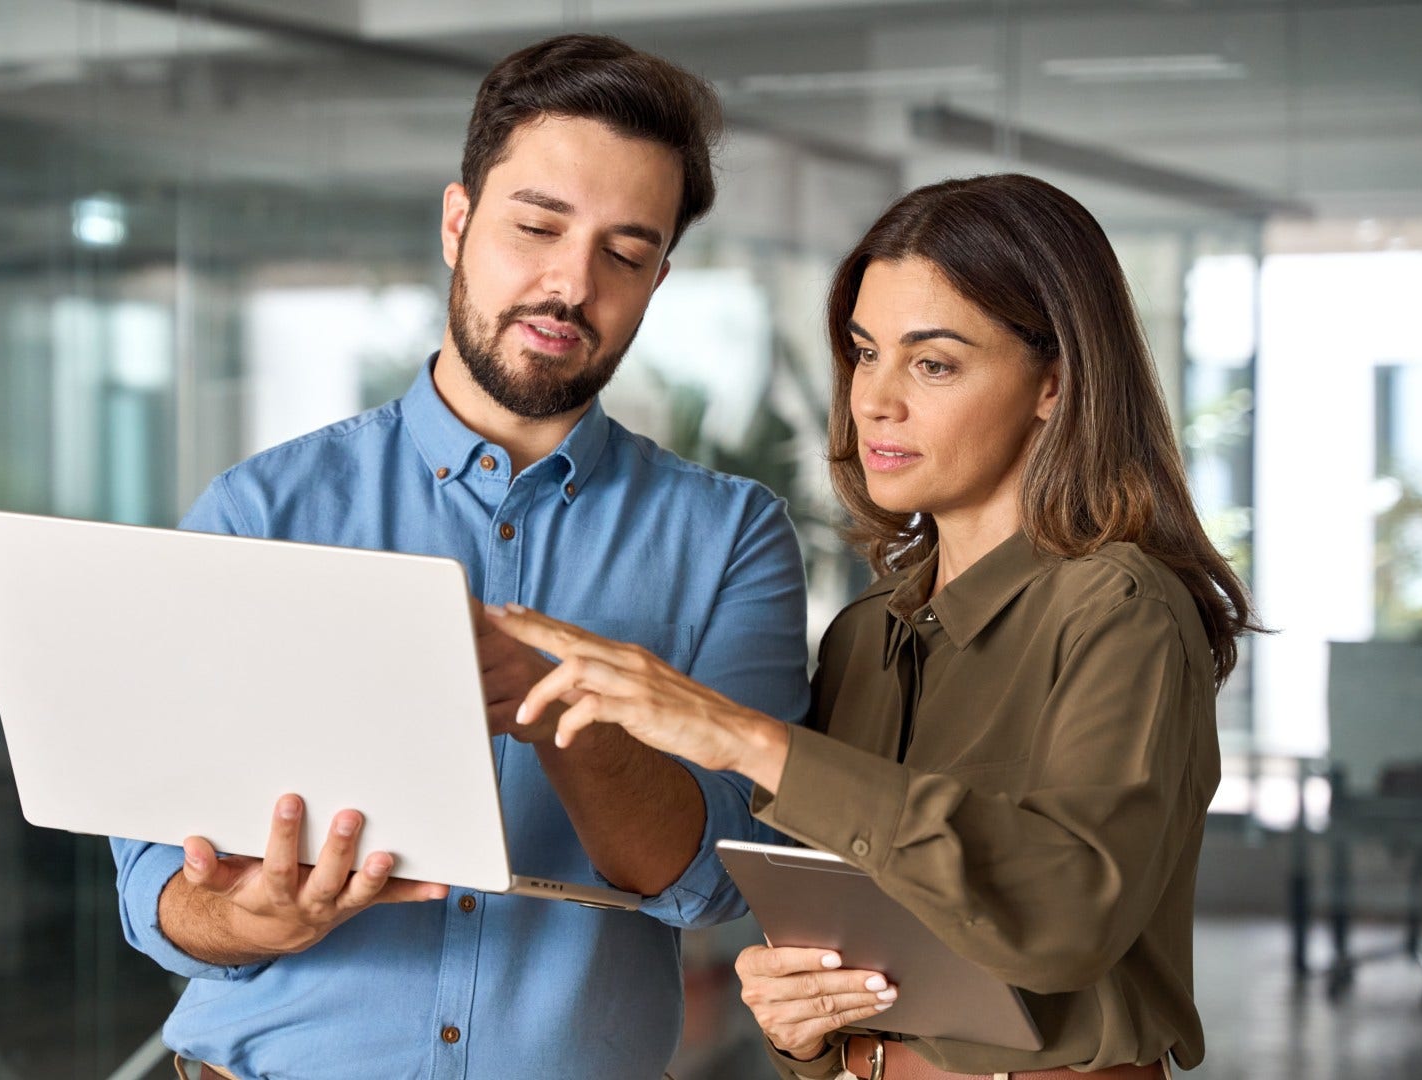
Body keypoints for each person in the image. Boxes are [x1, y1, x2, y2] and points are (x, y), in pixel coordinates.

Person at [108, 34, 813, 1080]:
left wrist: (555, 703)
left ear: (658, 279)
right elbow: (154, 887)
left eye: (624, 255)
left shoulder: (731, 538)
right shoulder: (260, 511)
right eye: (537, 226)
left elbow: (719, 881)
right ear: (457, 222)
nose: (570, 284)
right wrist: (245, 919)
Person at [492, 173, 1257, 1079]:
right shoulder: (864, 638)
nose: (875, 400)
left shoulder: (1122, 611)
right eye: (865, 353)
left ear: (1053, 383)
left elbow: (1066, 920)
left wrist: (746, 739)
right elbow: (848, 952)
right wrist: (801, 1024)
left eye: (933, 364)